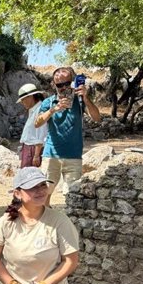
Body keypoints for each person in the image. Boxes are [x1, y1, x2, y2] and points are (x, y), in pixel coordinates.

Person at [34, 67, 101, 204]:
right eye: (60, 85)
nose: (64, 88)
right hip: (51, 155)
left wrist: (86, 98)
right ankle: (45, 222)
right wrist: (54, 109)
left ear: (72, 82)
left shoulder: (79, 101)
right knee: (45, 193)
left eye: (67, 83)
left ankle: (66, 223)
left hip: (73, 156)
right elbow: (37, 123)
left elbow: (97, 118)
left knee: (72, 195)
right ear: (54, 85)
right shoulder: (49, 102)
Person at [16, 83, 48, 168]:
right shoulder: (33, 110)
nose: (22, 102)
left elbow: (41, 133)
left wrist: (36, 155)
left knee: (31, 177)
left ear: (31, 97)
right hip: (29, 149)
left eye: (23, 99)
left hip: (33, 150)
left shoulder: (40, 110)